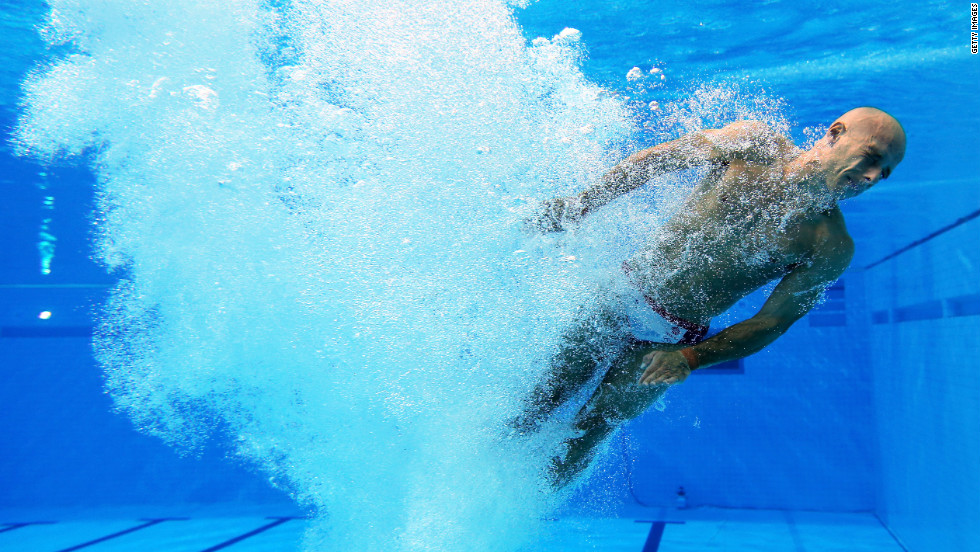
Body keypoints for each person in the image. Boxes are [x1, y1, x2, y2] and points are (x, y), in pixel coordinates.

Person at [518, 107, 906, 487]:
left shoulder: (830, 244)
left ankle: (522, 509)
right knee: (539, 402)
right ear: (836, 133)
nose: (872, 176)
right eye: (872, 157)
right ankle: (479, 476)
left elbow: (772, 322)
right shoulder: (756, 144)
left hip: (670, 339)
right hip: (621, 299)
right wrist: (581, 204)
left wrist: (690, 357)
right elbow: (657, 160)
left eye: (884, 173)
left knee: (590, 431)